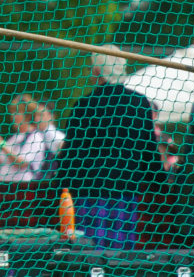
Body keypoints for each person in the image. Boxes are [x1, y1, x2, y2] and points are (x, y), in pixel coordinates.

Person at [57, 47, 164, 250]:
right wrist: (159, 183)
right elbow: (149, 150)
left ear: (98, 71)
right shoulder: (139, 104)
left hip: (88, 192)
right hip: (124, 191)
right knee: (119, 257)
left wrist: (59, 184)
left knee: (88, 253)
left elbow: (70, 154)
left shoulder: (84, 105)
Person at [0, 94, 48, 182]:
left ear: (27, 115)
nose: (13, 116)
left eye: (17, 112)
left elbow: (21, 163)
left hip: (23, 190)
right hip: (5, 188)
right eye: (12, 113)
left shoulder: (35, 137)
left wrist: (1, 143)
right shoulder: (13, 138)